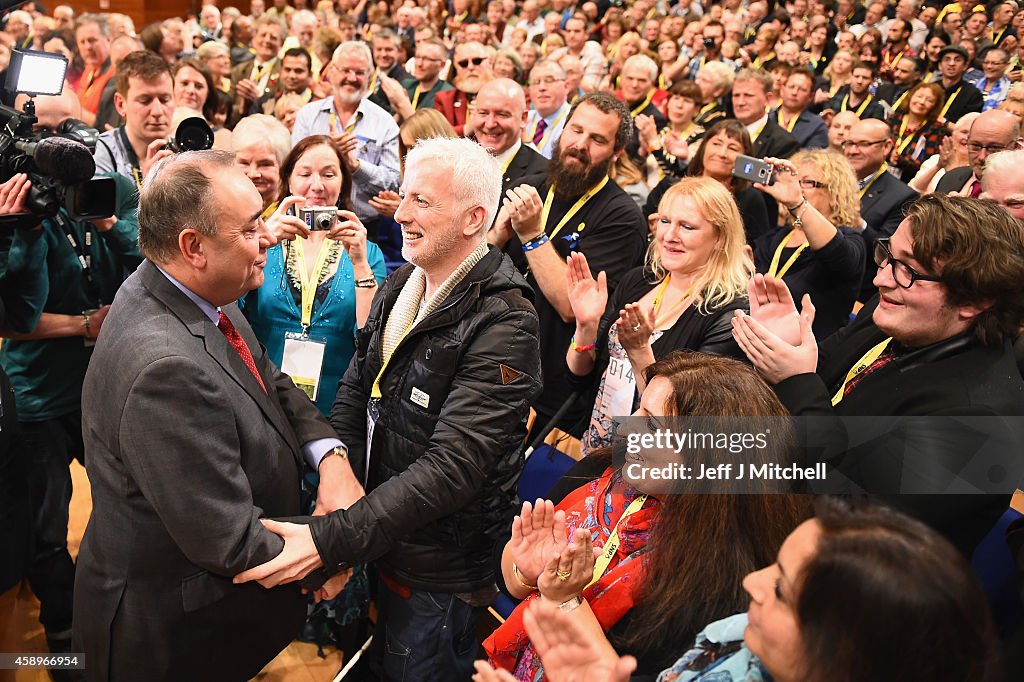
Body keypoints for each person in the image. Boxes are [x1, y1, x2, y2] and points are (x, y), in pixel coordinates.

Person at [233, 137, 542, 680]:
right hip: (382, 537)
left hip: (437, 570)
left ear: (474, 218)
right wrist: (340, 494)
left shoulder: (507, 322)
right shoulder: (406, 279)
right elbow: (357, 388)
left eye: (422, 202)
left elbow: (453, 468)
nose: (400, 213)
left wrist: (334, 538)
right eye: (406, 198)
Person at [71, 150, 352, 681]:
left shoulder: (182, 291)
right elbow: (231, 541)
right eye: (250, 229)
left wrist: (332, 458)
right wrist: (338, 543)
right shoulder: (165, 368)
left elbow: (269, 380)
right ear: (193, 247)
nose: (269, 237)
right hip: (170, 641)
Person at [482, 351, 810, 678]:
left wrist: (566, 600)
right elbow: (508, 576)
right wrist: (526, 573)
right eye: (639, 408)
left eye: (652, 424)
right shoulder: (604, 469)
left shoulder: (718, 583)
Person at [732, 193, 1024, 556]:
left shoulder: (981, 421)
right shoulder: (895, 311)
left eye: (908, 269)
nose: (882, 279)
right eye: (888, 255)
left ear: (973, 302)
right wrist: (788, 350)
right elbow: (822, 394)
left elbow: (847, 516)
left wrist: (796, 381)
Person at [473, 498, 1001, 682]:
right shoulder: (738, 637)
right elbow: (516, 577)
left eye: (784, 590)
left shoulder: (702, 577)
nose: (753, 583)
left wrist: (563, 602)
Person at [487, 92, 648, 437]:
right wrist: (497, 238)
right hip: (490, 356)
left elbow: (570, 306)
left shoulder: (622, 217)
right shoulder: (531, 185)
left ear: (616, 152)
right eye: (576, 131)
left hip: (549, 382)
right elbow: (477, 266)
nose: (580, 145)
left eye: (597, 139)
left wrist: (532, 235)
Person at [567, 178, 752, 456]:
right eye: (665, 221)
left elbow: (684, 420)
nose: (669, 235)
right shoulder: (638, 281)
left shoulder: (728, 314)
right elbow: (579, 375)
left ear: (719, 238)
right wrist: (586, 326)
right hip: (592, 453)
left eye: (687, 226)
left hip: (648, 468)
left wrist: (641, 351)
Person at [241, 135, 387, 414]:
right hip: (263, 395)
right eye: (305, 173)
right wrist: (261, 242)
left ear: (343, 181)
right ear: (289, 180)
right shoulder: (263, 242)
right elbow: (228, 309)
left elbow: (370, 338)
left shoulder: (367, 253)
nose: (317, 185)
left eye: (329, 174)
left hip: (337, 402)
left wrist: (359, 264)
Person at [291, 41, 401, 245]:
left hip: (367, 228)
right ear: (331, 73)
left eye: (359, 72)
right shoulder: (308, 115)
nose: (352, 78)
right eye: (345, 70)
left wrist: (356, 167)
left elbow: (395, 181)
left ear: (369, 77)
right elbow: (293, 170)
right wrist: (327, 153)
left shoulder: (384, 122)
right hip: (309, 225)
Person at [753, 150, 866, 339]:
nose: (797, 188)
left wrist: (797, 204)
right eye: (794, 181)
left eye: (807, 182)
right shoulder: (775, 237)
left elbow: (838, 255)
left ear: (835, 194)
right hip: (756, 341)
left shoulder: (852, 240)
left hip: (810, 356)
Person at [648, 120, 773, 245]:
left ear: (745, 158)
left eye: (732, 148)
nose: (722, 153)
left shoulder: (750, 199)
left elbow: (758, 250)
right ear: (704, 147)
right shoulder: (669, 186)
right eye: (716, 144)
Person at [842, 118, 919, 302]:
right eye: (850, 143)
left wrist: (858, 223)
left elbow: (887, 255)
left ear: (886, 147)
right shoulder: (829, 180)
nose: (853, 151)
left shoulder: (904, 197)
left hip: (858, 292)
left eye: (863, 144)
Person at [93, 50, 175, 189]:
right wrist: (148, 187)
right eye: (145, 100)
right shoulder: (101, 153)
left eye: (164, 100)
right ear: (121, 104)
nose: (157, 111)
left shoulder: (184, 150)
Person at [473, 78, 549, 196]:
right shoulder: (457, 163)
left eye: (502, 115)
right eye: (483, 113)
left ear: (523, 118)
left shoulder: (543, 176)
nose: (490, 124)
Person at [934, 108, 1023, 194]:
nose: (982, 157)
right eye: (975, 146)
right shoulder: (950, 178)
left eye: (994, 148)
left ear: (1016, 147)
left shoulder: (1019, 194)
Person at [635, 80, 705, 180]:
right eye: (676, 98)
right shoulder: (662, 130)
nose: (679, 105)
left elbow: (674, 175)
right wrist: (643, 150)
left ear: (696, 109)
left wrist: (653, 143)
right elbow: (639, 169)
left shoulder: (701, 137)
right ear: (667, 103)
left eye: (687, 101)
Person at [731, 68, 800, 160]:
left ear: (767, 99)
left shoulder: (784, 143)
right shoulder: (720, 131)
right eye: (736, 95)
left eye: (748, 95)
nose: (740, 102)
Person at [887, 81, 949, 181]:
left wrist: (901, 161)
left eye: (929, 100)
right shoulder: (894, 119)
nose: (922, 102)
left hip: (909, 181)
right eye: (919, 96)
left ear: (934, 106)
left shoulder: (935, 129)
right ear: (911, 96)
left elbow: (928, 165)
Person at [232, 114, 291, 218]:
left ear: (283, 166)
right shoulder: (219, 211)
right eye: (244, 163)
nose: (252, 174)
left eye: (264, 164)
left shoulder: (293, 213)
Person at [909, 111, 978, 193]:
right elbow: (912, 189)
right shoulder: (935, 160)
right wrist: (938, 166)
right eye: (964, 132)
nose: (967, 138)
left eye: (973, 134)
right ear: (953, 134)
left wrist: (951, 167)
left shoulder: (976, 172)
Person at [434, 40, 493, 135]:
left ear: (490, 63)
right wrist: (468, 128)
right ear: (457, 68)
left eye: (477, 61)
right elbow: (437, 136)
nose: (470, 67)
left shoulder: (505, 96)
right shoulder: (444, 99)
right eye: (464, 63)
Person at [770, 67, 830, 149]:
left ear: (810, 96)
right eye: (791, 87)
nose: (794, 93)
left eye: (802, 89)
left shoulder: (817, 126)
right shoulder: (767, 118)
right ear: (782, 90)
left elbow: (812, 160)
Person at [525, 59, 571, 159]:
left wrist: (525, 141)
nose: (541, 87)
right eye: (535, 82)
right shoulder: (524, 118)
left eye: (549, 80)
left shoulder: (573, 122)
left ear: (566, 87)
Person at [73, 14, 114, 118]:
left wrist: (68, 108)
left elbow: (103, 125)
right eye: (82, 42)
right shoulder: (89, 68)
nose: (87, 47)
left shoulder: (115, 73)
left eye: (92, 40)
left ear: (108, 40)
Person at [934, 44, 985, 127]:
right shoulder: (931, 88)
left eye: (957, 60)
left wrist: (943, 123)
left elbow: (967, 128)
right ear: (940, 65)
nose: (951, 63)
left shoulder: (973, 94)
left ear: (965, 66)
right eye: (947, 59)